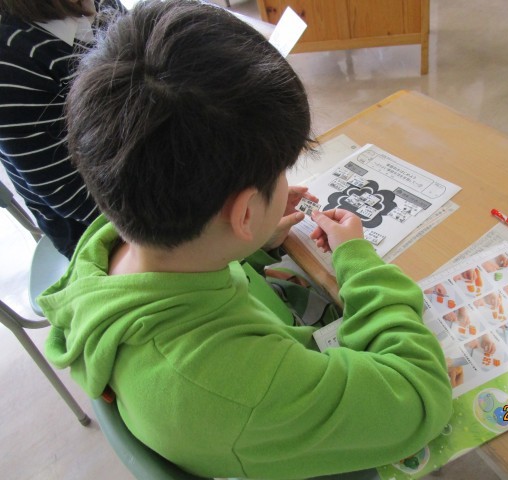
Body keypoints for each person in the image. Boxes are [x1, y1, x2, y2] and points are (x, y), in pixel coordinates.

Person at [40, 1, 453, 478]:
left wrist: (253, 240)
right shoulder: (234, 388)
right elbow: (421, 398)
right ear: (243, 212)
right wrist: (357, 260)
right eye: (281, 171)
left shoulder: (112, 242)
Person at [0, 0, 126, 257]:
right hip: (96, 222)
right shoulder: (12, 62)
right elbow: (70, 193)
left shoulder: (97, 4)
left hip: (142, 170)